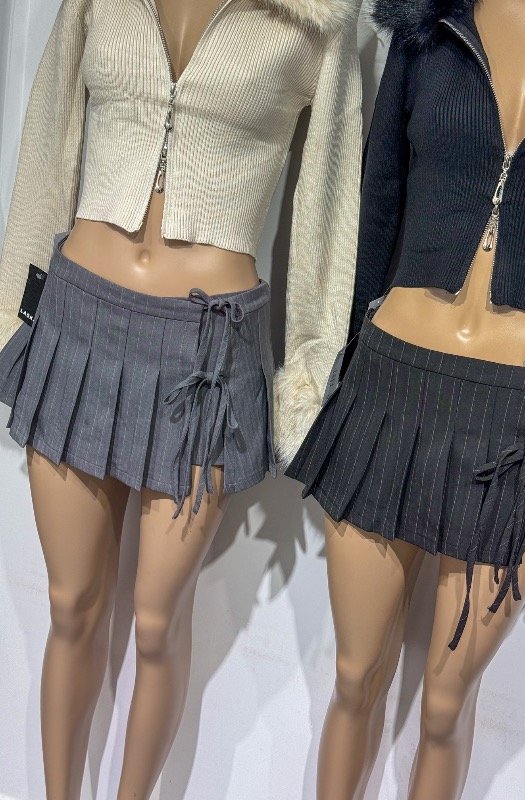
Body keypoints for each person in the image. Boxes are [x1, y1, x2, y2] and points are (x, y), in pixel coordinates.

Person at [0, 0, 362, 796]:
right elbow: (48, 137)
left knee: (158, 621)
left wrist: (306, 378)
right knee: (70, 604)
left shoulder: (314, 20)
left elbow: (330, 206)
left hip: (207, 352)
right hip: (77, 323)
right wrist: (10, 316)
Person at [286, 0, 525, 797]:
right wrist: (340, 370)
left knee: (444, 706)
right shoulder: (431, 24)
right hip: (391, 385)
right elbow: (379, 199)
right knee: (353, 675)